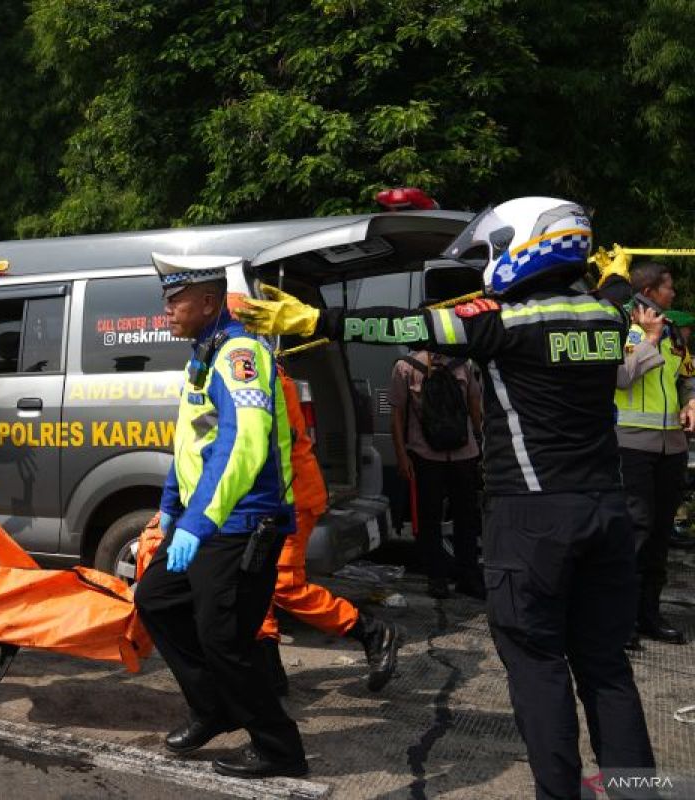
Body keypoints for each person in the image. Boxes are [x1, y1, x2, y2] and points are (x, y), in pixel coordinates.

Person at [235, 197, 657, 798]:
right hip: (607, 514)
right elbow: (613, 298)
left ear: (521, 247)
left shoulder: (504, 321)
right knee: (608, 670)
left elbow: (408, 325)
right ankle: (638, 790)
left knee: (538, 668)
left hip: (532, 519)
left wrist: (318, 322)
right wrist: (611, 276)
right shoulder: (609, 320)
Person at [134, 253, 308, 780]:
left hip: (242, 522)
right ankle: (213, 707)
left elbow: (243, 446)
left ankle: (278, 748)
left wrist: (197, 523)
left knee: (225, 639)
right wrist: (170, 508)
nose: (166, 310)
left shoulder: (240, 355)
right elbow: (192, 445)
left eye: (175, 300)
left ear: (209, 302)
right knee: (156, 598)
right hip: (203, 519)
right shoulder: (202, 355)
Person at [256, 385, 402, 693]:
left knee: (281, 584)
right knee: (259, 586)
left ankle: (372, 632)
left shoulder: (257, 371)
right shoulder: (255, 367)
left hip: (287, 498)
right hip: (277, 497)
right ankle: (268, 674)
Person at [616, 261, 695, 646]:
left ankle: (649, 613)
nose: (674, 294)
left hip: (671, 446)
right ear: (648, 292)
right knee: (636, 532)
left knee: (662, 533)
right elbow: (620, 376)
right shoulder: (621, 329)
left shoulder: (674, 334)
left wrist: (692, 402)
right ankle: (622, 619)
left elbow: (687, 377)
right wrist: (648, 340)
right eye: (668, 288)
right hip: (631, 446)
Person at [390, 349, 484, 600]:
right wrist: (483, 443)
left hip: (426, 455)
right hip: (461, 454)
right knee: (466, 518)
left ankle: (438, 580)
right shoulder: (464, 363)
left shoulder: (405, 366)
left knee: (430, 519)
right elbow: (475, 407)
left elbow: (397, 415)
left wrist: (402, 456)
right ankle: (468, 577)